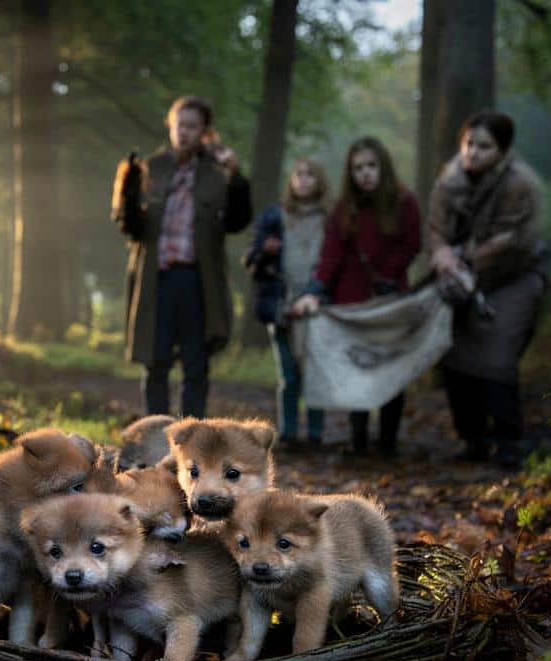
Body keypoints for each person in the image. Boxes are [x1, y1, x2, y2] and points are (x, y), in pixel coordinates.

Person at [112, 96, 253, 418]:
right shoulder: (152, 168)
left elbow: (236, 222)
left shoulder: (216, 173)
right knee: (155, 361)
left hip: (197, 281)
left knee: (196, 364)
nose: (185, 132)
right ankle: (156, 432)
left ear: (204, 131)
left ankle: (192, 436)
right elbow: (131, 228)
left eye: (192, 126)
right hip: (156, 280)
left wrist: (236, 177)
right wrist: (129, 191)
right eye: (180, 125)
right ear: (170, 126)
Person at [428, 110, 546, 469]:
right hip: (461, 277)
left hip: (513, 276)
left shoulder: (520, 184)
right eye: (469, 143)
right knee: (456, 358)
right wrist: (441, 253)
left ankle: (508, 441)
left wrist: (463, 257)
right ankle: (472, 439)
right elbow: (435, 228)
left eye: (484, 146)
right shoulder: (449, 180)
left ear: (503, 150)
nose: (473, 152)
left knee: (498, 358)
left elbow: (512, 240)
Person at [291, 137, 422, 457]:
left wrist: (389, 274)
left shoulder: (404, 202)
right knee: (356, 372)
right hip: (351, 303)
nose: (365, 173)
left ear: (383, 166)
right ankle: (359, 441)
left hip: (390, 302)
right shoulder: (344, 209)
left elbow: (412, 243)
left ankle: (388, 443)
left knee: (391, 370)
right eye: (358, 167)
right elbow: (331, 256)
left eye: (371, 166)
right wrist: (315, 291)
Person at [244, 159, 330, 452]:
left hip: (317, 307)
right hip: (281, 305)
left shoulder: (329, 219)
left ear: (319, 181)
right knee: (289, 375)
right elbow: (253, 263)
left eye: (310, 175)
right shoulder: (274, 217)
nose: (304, 180)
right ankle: (289, 433)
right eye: (299, 175)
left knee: (315, 373)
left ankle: (316, 434)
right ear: (291, 181)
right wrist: (265, 252)